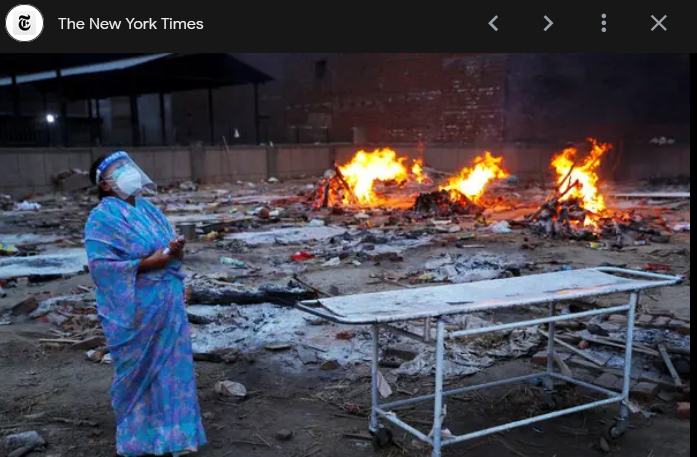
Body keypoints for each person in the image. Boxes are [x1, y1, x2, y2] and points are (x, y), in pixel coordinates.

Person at [85, 151, 207, 457]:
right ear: (105, 184)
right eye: (118, 170)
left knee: (172, 370)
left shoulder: (148, 209)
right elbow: (103, 267)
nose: (128, 172)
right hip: (137, 310)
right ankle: (142, 439)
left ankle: (177, 436)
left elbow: (166, 249)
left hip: (167, 305)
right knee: (143, 374)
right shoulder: (102, 218)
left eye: (128, 166)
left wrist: (174, 249)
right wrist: (155, 261)